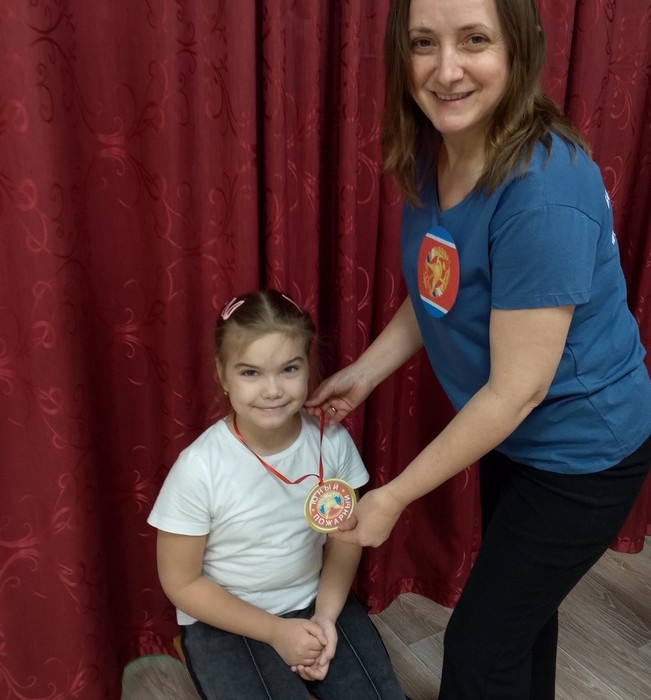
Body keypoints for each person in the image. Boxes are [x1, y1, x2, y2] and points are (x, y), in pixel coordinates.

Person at [306, 0, 651, 698]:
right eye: (422, 43)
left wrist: (391, 498)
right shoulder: (437, 145)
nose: (445, 70)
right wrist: (364, 374)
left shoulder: (543, 191)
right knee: (519, 625)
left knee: (478, 651)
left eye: (473, 40)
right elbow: (440, 283)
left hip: (582, 455)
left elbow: (517, 390)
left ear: (518, 48)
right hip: (515, 438)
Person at [148, 289, 406, 700]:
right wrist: (276, 632)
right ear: (222, 375)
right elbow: (181, 583)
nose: (272, 390)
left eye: (288, 369)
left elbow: (345, 541)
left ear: (308, 367)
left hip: (315, 598)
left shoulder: (332, 442)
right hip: (226, 619)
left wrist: (325, 617)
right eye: (251, 373)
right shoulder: (199, 468)